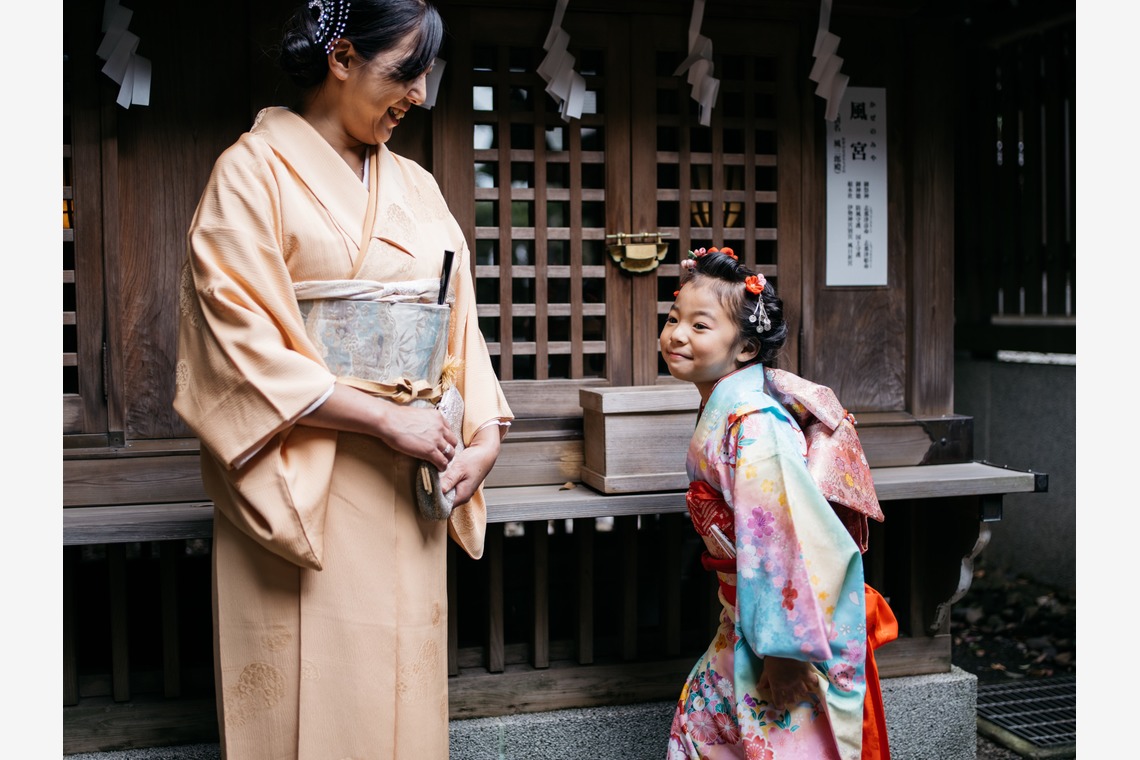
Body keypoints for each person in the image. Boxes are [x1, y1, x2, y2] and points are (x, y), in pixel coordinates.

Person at [172, 1, 513, 757]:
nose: (419, 95)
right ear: (342, 58)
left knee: (401, 695)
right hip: (307, 473)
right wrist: (385, 419)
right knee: (306, 693)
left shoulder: (418, 187)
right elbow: (238, 342)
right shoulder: (250, 173)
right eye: (403, 73)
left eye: (426, 76)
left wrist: (484, 436)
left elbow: (458, 322)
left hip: (413, 472)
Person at [661, 247, 895, 760]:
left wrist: (787, 654)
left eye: (699, 326)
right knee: (708, 732)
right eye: (674, 318)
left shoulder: (754, 424)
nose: (676, 334)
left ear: (745, 348)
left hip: (784, 632)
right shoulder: (729, 409)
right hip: (746, 618)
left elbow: (785, 540)